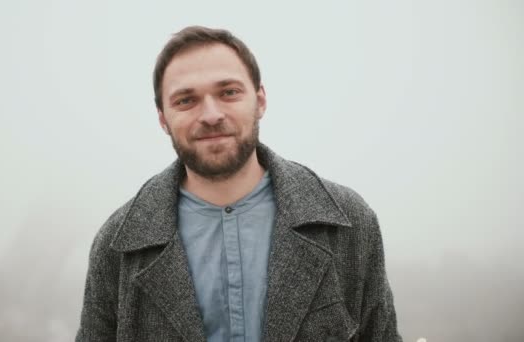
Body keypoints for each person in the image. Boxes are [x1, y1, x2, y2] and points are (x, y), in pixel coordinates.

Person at [76, 26, 401, 342]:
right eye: (186, 100)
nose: (212, 114)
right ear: (163, 119)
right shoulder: (117, 244)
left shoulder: (349, 221)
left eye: (228, 92)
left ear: (259, 100)